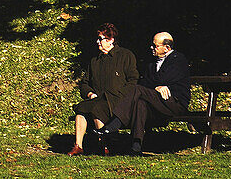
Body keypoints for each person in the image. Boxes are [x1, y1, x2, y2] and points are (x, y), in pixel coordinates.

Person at [101, 31, 191, 155]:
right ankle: (136, 146)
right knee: (140, 104)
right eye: (152, 45)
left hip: (175, 103)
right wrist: (157, 87)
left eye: (156, 46)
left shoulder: (178, 59)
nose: (152, 48)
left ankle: (114, 124)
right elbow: (144, 82)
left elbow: (159, 80)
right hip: (158, 102)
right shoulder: (151, 63)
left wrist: (161, 86)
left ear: (167, 48)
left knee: (136, 89)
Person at [68, 23, 138, 156]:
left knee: (97, 109)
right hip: (98, 99)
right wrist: (89, 93)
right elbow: (85, 83)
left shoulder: (125, 55)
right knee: (81, 109)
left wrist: (123, 96)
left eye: (101, 38)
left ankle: (105, 145)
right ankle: (78, 146)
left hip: (118, 100)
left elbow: (133, 80)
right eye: (98, 38)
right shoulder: (95, 60)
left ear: (111, 40)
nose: (97, 42)